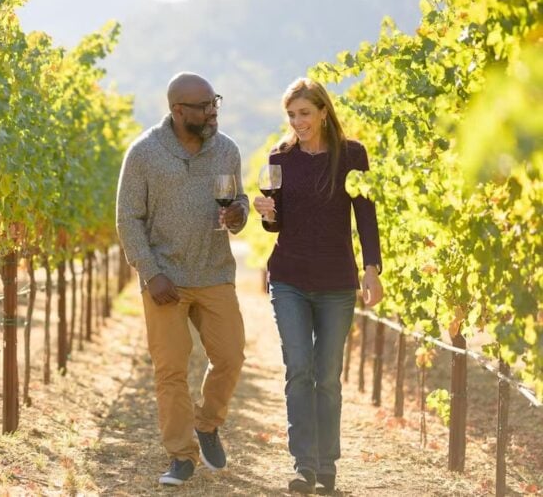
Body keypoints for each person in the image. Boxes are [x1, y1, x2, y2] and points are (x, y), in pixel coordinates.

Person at [252, 77, 384, 495]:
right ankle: (303, 465)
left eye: (304, 113)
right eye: (291, 115)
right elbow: (277, 224)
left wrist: (372, 269)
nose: (298, 122)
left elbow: (366, 215)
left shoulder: (352, 154)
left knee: (327, 375)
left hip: (336, 281)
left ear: (323, 111)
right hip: (289, 277)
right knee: (299, 370)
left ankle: (327, 465)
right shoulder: (281, 157)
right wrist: (266, 212)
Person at [116, 72, 248, 486]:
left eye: (215, 103)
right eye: (204, 106)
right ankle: (181, 455)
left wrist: (240, 213)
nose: (213, 112)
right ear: (177, 111)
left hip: (213, 273)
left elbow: (238, 201)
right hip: (165, 280)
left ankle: (207, 424)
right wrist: (150, 272)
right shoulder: (144, 153)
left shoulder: (226, 150)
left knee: (230, 357)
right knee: (171, 370)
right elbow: (127, 219)